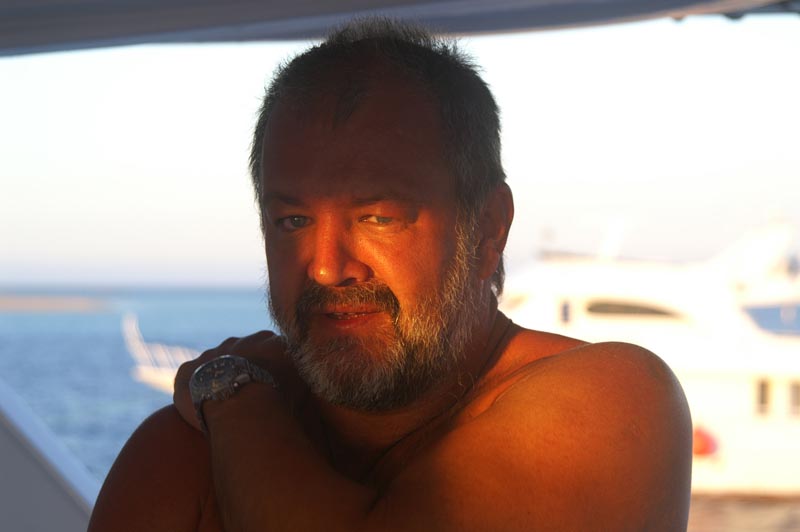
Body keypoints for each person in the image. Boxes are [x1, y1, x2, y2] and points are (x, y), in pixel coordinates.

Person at [88, 18, 692, 531]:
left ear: (488, 229)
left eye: (378, 217)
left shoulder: (614, 400)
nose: (327, 266)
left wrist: (233, 393)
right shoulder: (186, 449)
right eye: (293, 220)